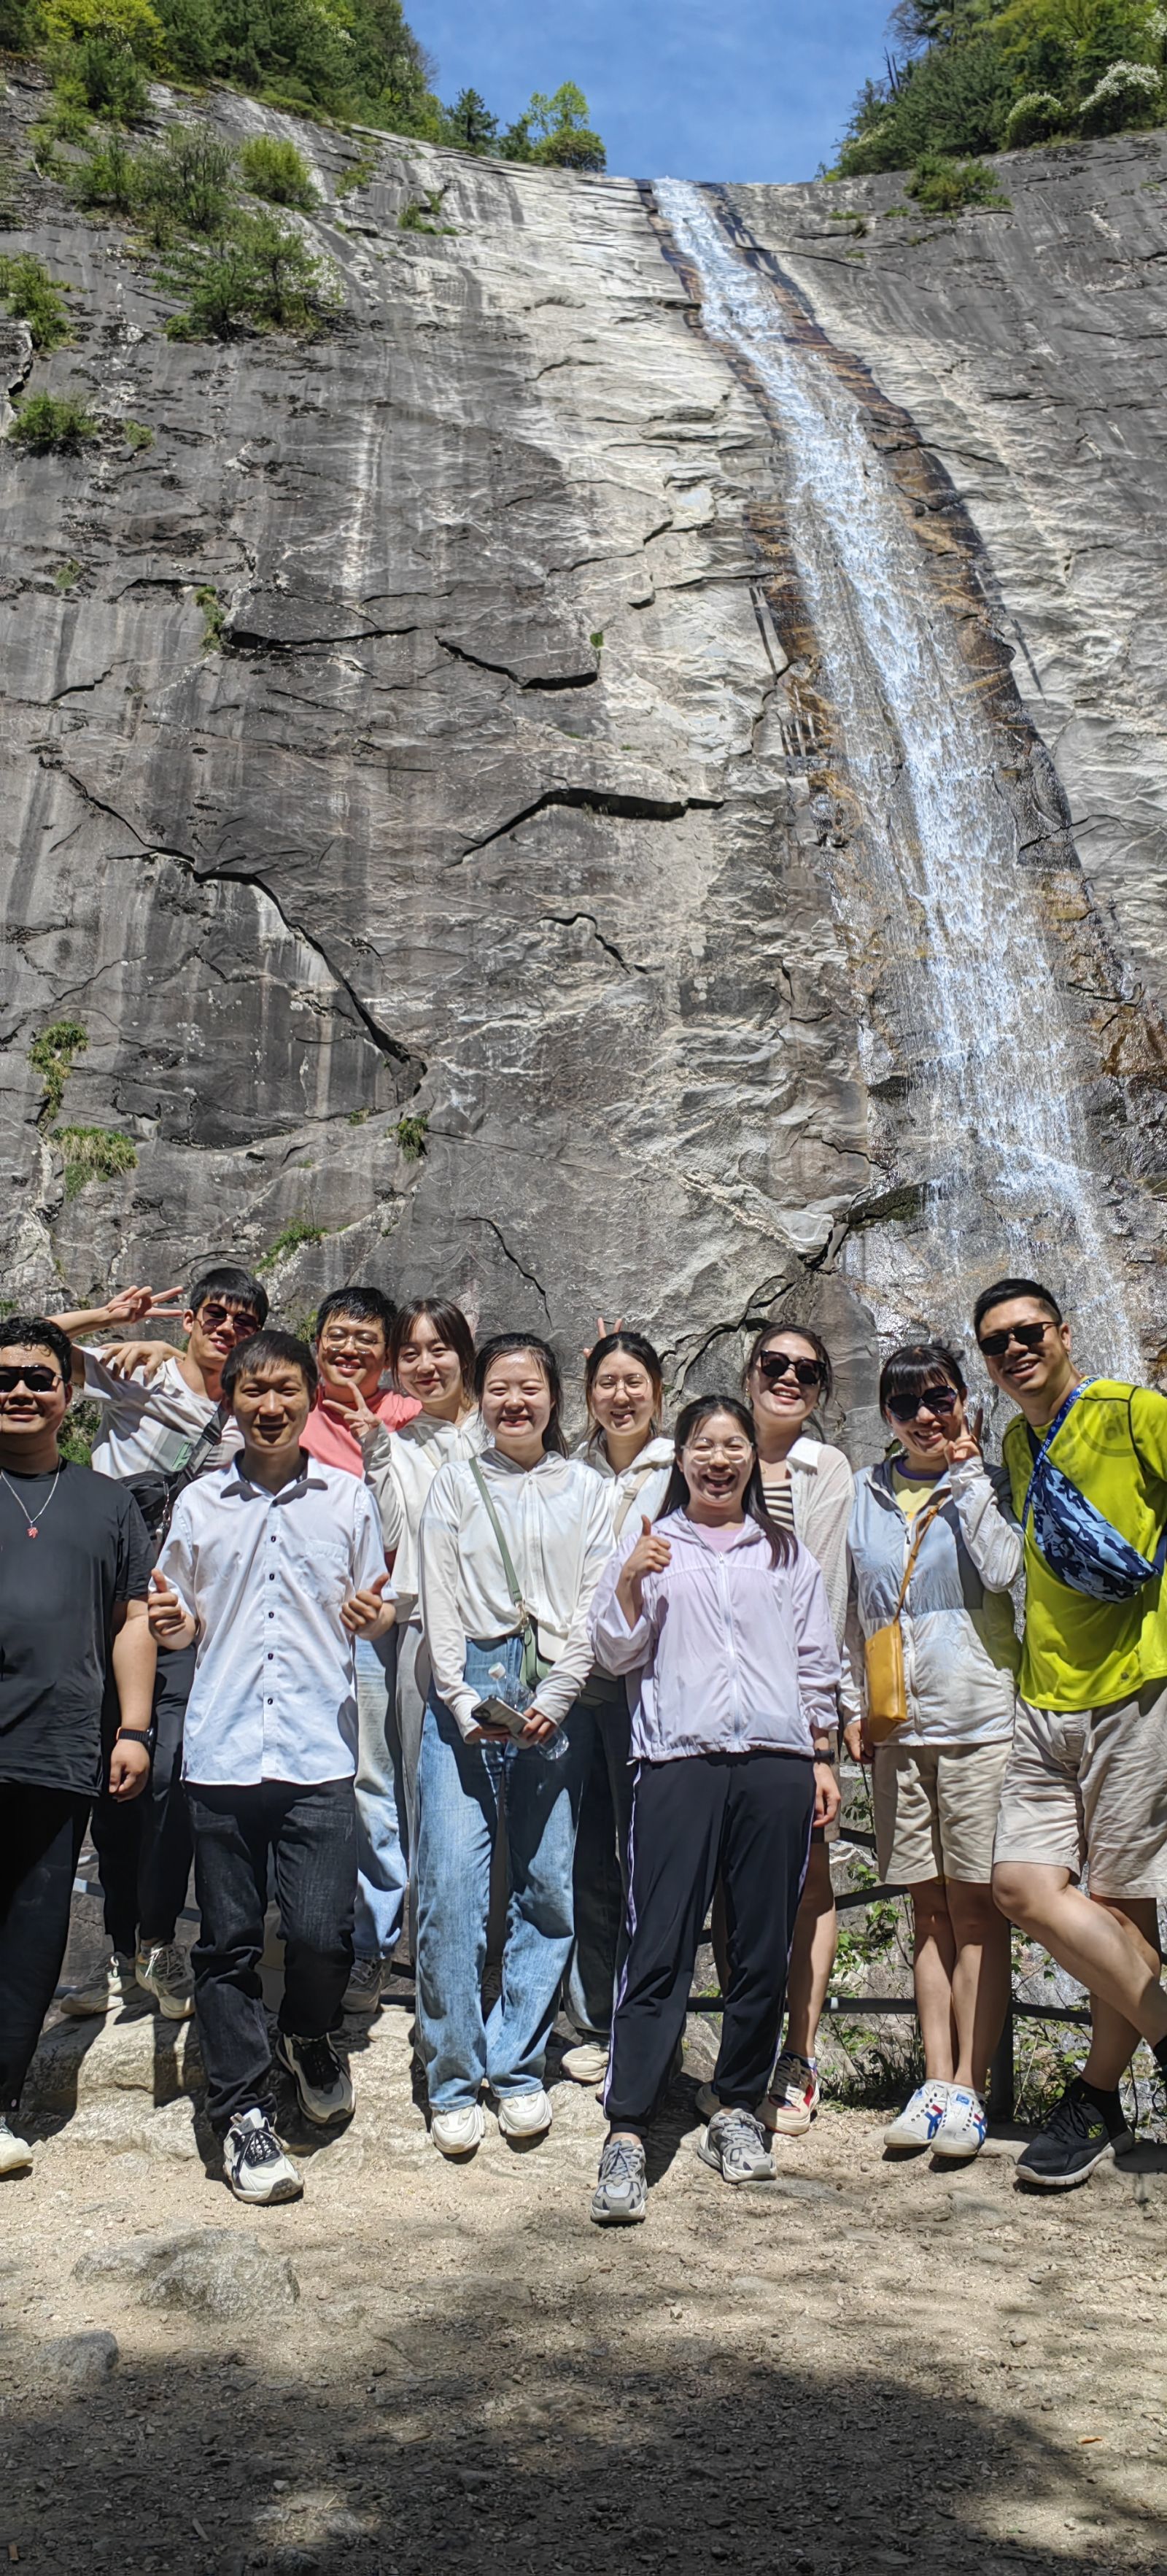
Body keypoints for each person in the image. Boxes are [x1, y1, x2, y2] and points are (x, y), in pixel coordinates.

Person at [150, 1329, 392, 2205]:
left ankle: (307, 2035)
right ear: (233, 1401)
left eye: (286, 1389)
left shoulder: (349, 1499)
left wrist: (370, 1617)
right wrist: (174, 1627)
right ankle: (243, 2110)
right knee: (228, 1943)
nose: (269, 1405)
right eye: (252, 1390)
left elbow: (376, 1603)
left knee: (323, 1934)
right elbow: (177, 1614)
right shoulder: (200, 1502)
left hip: (317, 1749)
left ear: (309, 1396)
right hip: (221, 1751)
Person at [586, 1395, 841, 2225]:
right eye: (704, 1445)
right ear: (682, 1459)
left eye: (734, 1445)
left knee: (761, 1945)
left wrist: (820, 1754)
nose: (719, 1459)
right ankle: (628, 2126)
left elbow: (815, 1660)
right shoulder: (652, 1544)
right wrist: (631, 1579)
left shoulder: (784, 1552)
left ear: (751, 1461)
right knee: (657, 1943)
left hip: (775, 1763)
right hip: (677, 1761)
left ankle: (735, 2107)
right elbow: (614, 1651)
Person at [977, 1276, 1167, 2188]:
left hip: (1135, 1689)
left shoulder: (1134, 1412)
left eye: (1027, 1332)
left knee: (1123, 1909)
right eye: (995, 1343)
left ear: (1061, 1333)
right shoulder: (1016, 1443)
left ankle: (1095, 2099)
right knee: (1020, 1885)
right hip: (1041, 1701)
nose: (1014, 1350)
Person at [52, 1265, 268, 2024]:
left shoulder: (250, 1411)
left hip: (177, 1619)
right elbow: (25, 1353)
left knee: (165, 1770)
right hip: (97, 1607)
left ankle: (154, 1938)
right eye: (217, 1315)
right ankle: (116, 1951)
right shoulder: (140, 1372)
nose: (228, 1330)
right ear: (192, 1318)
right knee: (100, 1785)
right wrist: (107, 1320)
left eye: (245, 1322)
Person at [414, 1331, 611, 2157]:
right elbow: (438, 1598)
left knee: (547, 1885)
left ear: (554, 1396)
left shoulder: (590, 1489)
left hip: (557, 1687)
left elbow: (598, 1602)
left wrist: (558, 1698)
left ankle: (519, 2062)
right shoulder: (455, 1483)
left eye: (529, 1387)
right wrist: (462, 1700)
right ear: (480, 1397)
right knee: (451, 1887)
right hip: (468, 1682)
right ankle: (453, 2074)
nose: (514, 1402)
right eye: (498, 1388)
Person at [848, 1342, 1020, 2163]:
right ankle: (936, 2080)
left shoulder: (989, 1482)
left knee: (979, 1910)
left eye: (940, 1398)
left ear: (963, 1401)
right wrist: (849, 1705)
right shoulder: (864, 1492)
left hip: (980, 1718)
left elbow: (1006, 1570)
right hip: (898, 1728)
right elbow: (851, 1603)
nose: (925, 1416)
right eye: (906, 1404)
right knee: (927, 1911)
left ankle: (970, 2089)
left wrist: (970, 1476)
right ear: (886, 1414)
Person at [0, 1318, 154, 2176]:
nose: (20, 1391)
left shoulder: (107, 1501)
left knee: (33, 1930)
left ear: (68, 1393)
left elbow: (133, 1620)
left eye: (38, 1377)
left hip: (60, 1747)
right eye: (4, 1378)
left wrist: (132, 1728)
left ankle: (1, 2102)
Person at [718, 1320, 856, 2138]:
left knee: (808, 1877)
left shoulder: (824, 1468)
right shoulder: (709, 1450)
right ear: (749, 1372)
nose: (789, 1379)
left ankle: (796, 2055)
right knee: (727, 1883)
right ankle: (741, 2053)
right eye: (774, 1363)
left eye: (807, 1371)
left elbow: (827, 1600)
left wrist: (822, 1732)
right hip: (711, 1706)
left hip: (793, 1707)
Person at [299, 1285, 419, 2016]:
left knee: (374, 1781)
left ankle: (374, 1944)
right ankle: (303, 1935)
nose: (349, 1350)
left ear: (388, 1355)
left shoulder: (408, 1416)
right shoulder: (288, 1405)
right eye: (338, 1335)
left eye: (366, 1339)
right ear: (317, 1340)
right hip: (298, 1627)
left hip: (377, 1628)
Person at [561, 1329, 674, 2089]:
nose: (621, 1396)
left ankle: (647, 2019)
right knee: (587, 1857)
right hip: (578, 1686)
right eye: (606, 1382)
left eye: (635, 1381)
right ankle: (596, 2017)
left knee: (647, 1857)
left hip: (651, 1686)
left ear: (659, 1392)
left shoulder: (680, 1467)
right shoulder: (572, 1470)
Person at [360, 1299, 485, 1909]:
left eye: (440, 1349)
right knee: (424, 1788)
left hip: (504, 1629)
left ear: (465, 1353)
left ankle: (500, 1945)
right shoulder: (397, 1443)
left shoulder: (504, 1424)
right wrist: (375, 1453)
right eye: (410, 1354)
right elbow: (391, 1534)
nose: (426, 1365)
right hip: (423, 1629)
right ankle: (431, 1940)